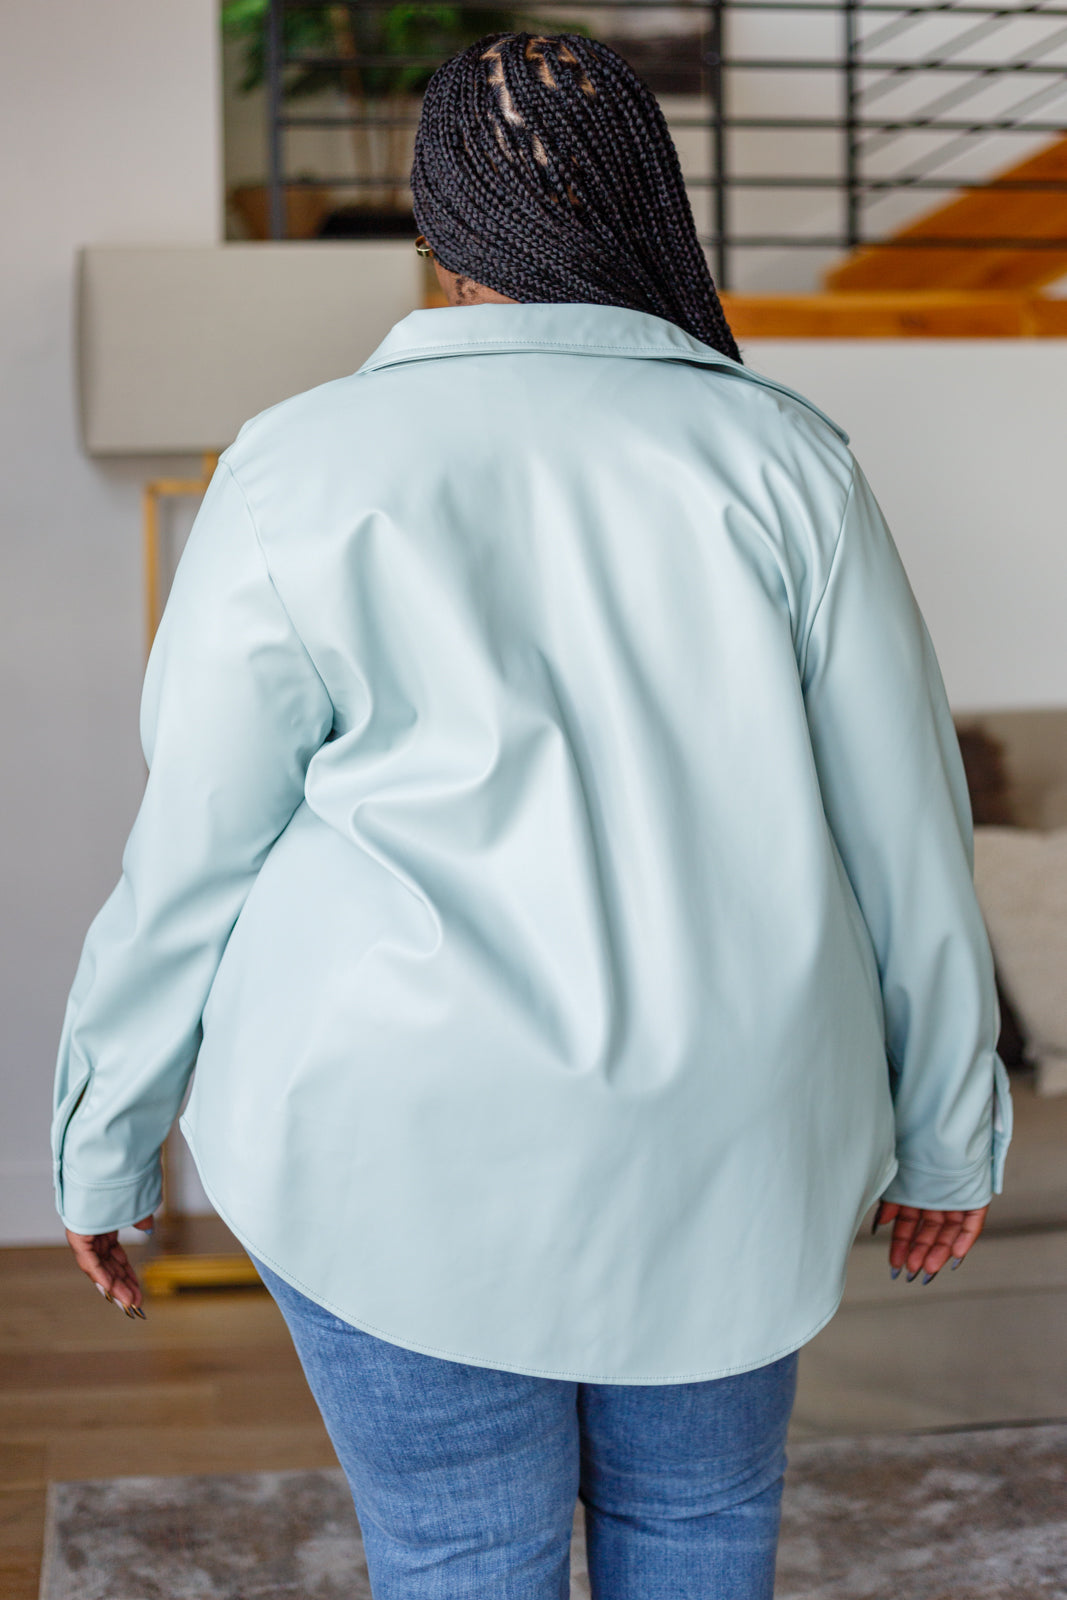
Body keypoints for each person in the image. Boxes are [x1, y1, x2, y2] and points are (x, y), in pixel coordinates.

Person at [54, 32, 1012, 1599]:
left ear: (434, 230)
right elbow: (907, 837)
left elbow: (193, 859)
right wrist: (949, 1134)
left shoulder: (296, 465)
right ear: (651, 200)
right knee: (701, 1533)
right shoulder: (786, 458)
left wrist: (103, 1142)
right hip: (729, 1129)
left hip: (386, 1131)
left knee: (458, 1552)